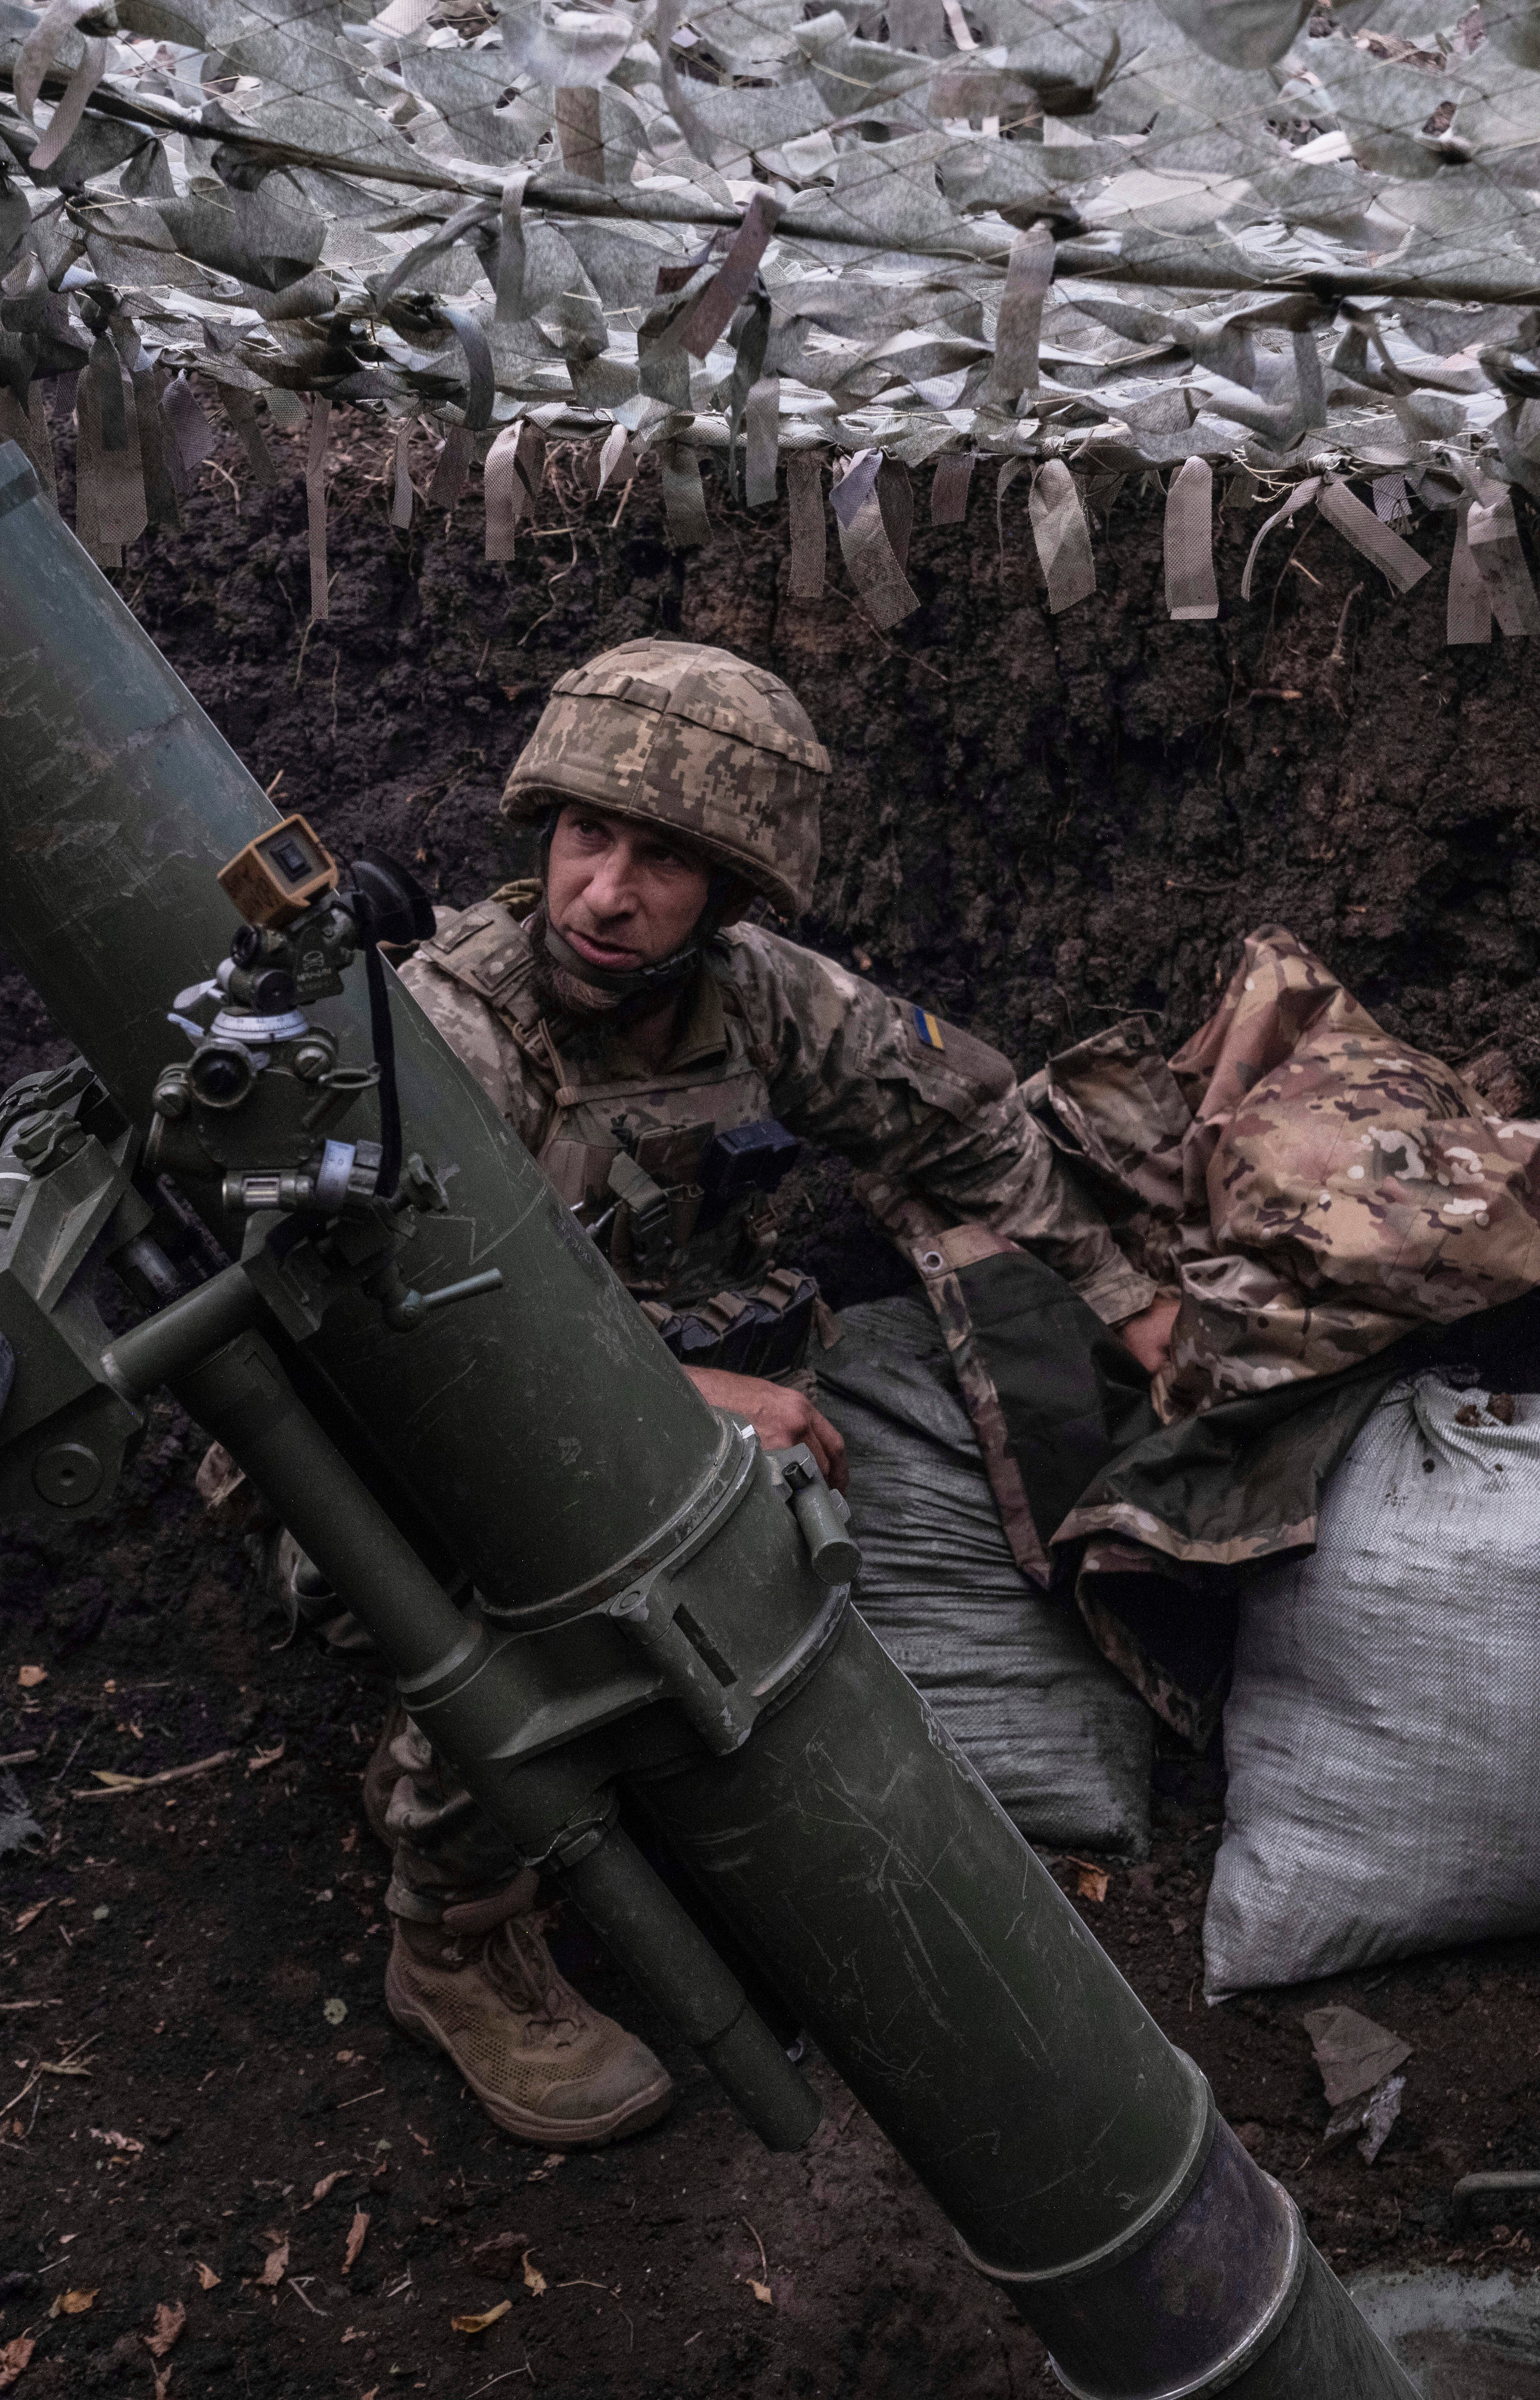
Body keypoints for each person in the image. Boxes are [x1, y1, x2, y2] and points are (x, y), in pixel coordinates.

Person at [356, 639, 1176, 2148]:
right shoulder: (450, 1034)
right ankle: (451, 1937)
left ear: (731, 895)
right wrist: (697, 1403)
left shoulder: (761, 1003)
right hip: (437, 1424)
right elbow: (410, 1344)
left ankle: (627, 1777)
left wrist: (1137, 1305)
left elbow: (971, 1125)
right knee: (552, 1584)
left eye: (664, 861)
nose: (605, 894)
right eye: (585, 835)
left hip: (654, 1398)